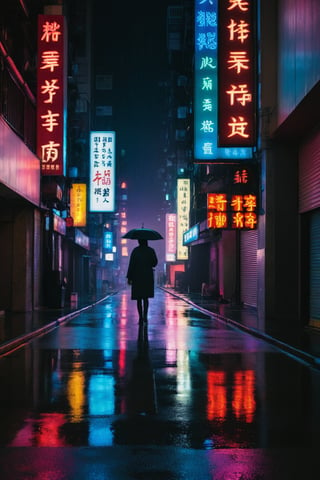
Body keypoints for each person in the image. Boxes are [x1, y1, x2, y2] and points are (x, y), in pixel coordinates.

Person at [127, 238, 158, 322]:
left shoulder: (135, 251)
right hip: (147, 277)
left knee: (139, 298)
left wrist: (129, 278)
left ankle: (140, 317)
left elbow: (131, 265)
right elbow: (155, 263)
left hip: (137, 277)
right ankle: (145, 316)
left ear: (139, 241)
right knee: (145, 298)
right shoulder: (151, 250)